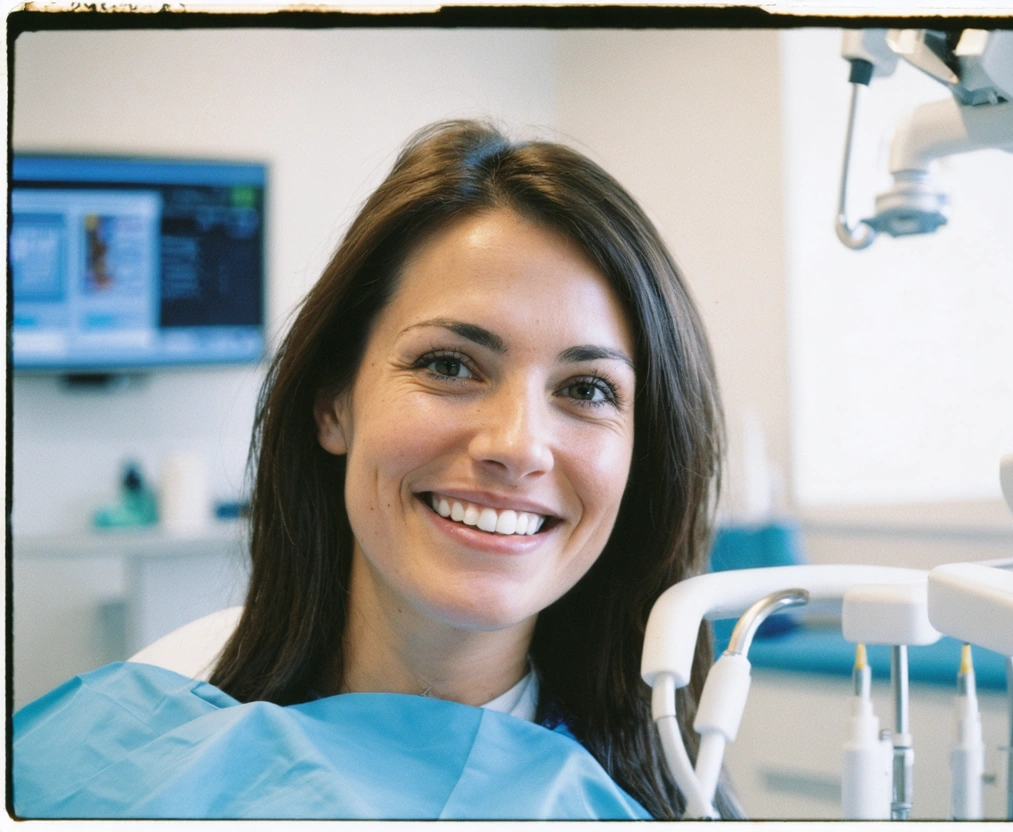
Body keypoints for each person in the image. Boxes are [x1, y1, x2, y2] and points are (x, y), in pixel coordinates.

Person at [14, 119, 737, 820]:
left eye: (586, 390)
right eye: (449, 365)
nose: (517, 445)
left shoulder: (658, 799)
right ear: (333, 405)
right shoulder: (154, 710)